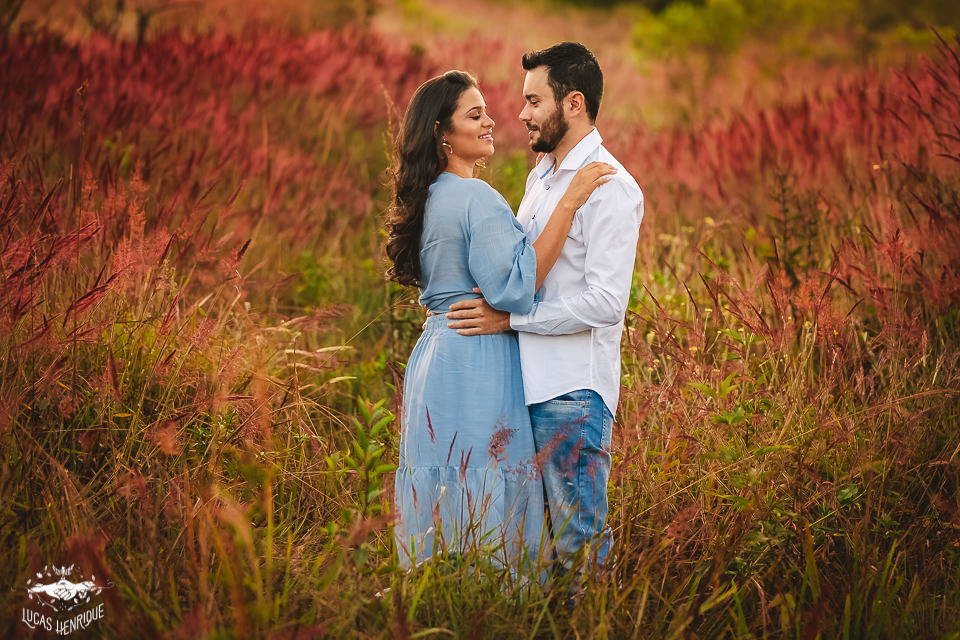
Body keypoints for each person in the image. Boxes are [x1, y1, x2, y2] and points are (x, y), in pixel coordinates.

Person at [385, 69, 615, 570]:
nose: (493, 121)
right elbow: (517, 287)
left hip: (435, 352)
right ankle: (490, 601)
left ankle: (438, 594)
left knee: (444, 480)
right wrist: (571, 201)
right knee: (483, 479)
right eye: (475, 115)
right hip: (476, 354)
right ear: (442, 133)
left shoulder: (428, 196)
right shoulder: (475, 197)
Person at [446, 43, 644, 590]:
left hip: (572, 394)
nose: (522, 113)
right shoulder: (542, 178)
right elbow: (521, 271)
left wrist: (513, 322)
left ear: (573, 102)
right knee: (536, 552)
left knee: (578, 542)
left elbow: (607, 304)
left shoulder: (610, 187)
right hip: (525, 389)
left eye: (534, 100)